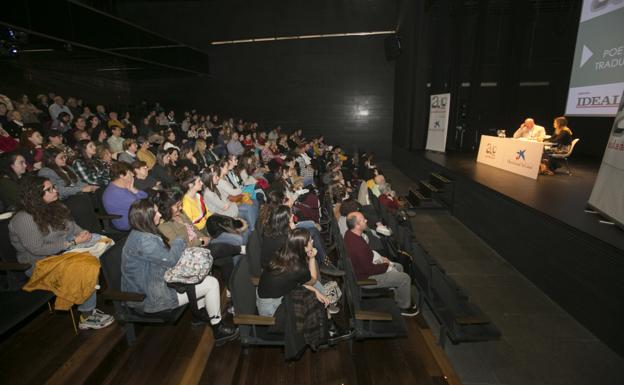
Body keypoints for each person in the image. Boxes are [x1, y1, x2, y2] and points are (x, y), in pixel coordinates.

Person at [121, 199, 238, 344]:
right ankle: (217, 328)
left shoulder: (139, 233)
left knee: (201, 272)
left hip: (152, 283)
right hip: (150, 297)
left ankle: (199, 315)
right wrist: (180, 238)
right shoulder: (145, 241)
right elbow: (171, 260)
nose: (159, 214)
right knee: (211, 283)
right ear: (146, 217)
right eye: (155, 212)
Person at [8, 175, 114, 330]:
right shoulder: (24, 218)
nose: (55, 190)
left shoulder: (56, 206)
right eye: (49, 189)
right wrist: (72, 243)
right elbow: (37, 249)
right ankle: (87, 315)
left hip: (66, 249)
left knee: (105, 241)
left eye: (53, 187)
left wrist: (84, 234)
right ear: (35, 195)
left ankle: (99, 286)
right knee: (85, 265)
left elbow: (73, 227)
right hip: (42, 262)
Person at [344, 211, 419, 316]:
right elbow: (370, 270)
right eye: (363, 220)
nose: (366, 220)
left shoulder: (349, 234)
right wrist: (386, 264)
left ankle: (399, 298)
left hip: (364, 270)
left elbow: (366, 257)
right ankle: (403, 307)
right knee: (405, 278)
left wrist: (382, 260)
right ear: (357, 225)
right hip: (367, 279)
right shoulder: (358, 246)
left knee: (399, 266)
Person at [256, 228, 332, 317]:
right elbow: (313, 280)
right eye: (310, 240)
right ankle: (326, 311)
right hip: (270, 307)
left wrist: (315, 290)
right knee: (315, 290)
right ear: (304, 247)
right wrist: (312, 258)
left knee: (316, 288)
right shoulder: (297, 268)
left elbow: (291, 282)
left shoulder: (284, 252)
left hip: (270, 295)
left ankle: (327, 307)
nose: (312, 241)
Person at [102, 162, 148, 231]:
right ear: (121, 176)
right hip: (126, 224)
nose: (133, 175)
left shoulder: (120, 186)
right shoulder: (116, 192)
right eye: (130, 173)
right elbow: (144, 203)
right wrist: (133, 190)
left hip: (134, 215)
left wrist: (133, 189)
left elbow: (145, 196)